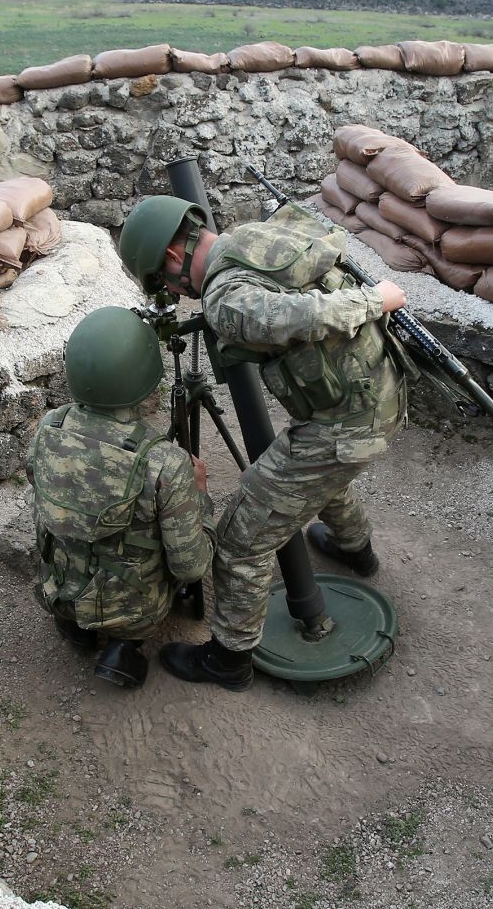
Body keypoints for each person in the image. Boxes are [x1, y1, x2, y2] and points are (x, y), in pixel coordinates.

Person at [116, 195, 408, 691]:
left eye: (164, 282)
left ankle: (228, 660)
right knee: (312, 478)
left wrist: (375, 299)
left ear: (171, 257)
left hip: (344, 427)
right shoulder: (252, 239)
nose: (174, 293)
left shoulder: (227, 298)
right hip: (378, 398)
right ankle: (355, 548)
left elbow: (297, 318)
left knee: (239, 540)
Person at [28, 305, 215, 689]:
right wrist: (201, 496)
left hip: (56, 589)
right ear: (145, 377)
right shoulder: (163, 461)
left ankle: (74, 625)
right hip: (131, 610)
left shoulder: (50, 426)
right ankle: (124, 647)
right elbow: (191, 568)